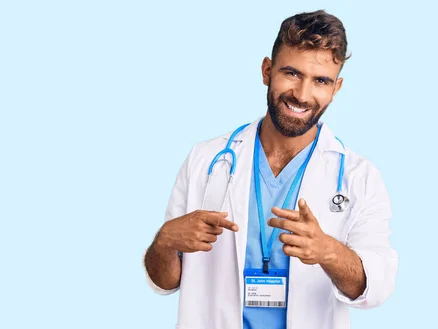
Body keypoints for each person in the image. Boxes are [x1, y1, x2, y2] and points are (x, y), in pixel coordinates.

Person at [143, 9, 398, 329]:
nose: (303, 95)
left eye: (320, 80)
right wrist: (164, 242)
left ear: (336, 88)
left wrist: (327, 251)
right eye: (292, 73)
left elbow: (375, 289)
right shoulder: (206, 160)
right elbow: (164, 281)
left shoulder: (360, 178)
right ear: (267, 70)